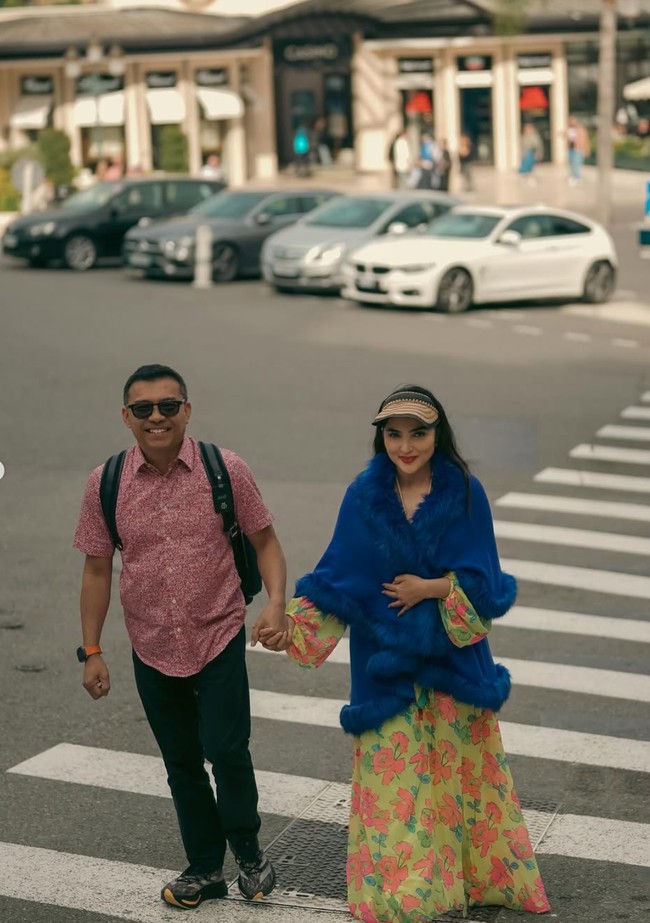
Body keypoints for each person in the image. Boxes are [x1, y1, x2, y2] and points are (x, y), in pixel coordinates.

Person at [261, 386, 550, 923]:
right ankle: (406, 895)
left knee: (461, 781)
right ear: (381, 437)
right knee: (395, 788)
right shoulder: (363, 497)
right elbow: (337, 578)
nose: (406, 445)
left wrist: (431, 588)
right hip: (386, 672)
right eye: (394, 434)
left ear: (438, 434)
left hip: (453, 668)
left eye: (418, 432)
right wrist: (287, 626)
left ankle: (471, 881)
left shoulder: (465, 492)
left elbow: (486, 586)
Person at [73, 363, 289, 911]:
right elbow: (97, 569)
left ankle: (247, 852)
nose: (157, 418)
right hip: (151, 645)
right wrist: (92, 651)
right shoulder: (107, 483)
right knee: (182, 762)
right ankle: (205, 867)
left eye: (169, 406)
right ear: (127, 417)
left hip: (218, 635)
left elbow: (265, 541)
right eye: (143, 409)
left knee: (226, 749)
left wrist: (276, 604)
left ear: (187, 411)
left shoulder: (224, 469)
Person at [566, 116, 590, 186]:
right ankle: (573, 176)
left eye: (572, 121)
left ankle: (577, 177)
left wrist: (586, 149)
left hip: (578, 149)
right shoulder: (569, 129)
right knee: (572, 164)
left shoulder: (581, 129)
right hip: (571, 149)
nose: (571, 122)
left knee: (577, 163)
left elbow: (585, 139)